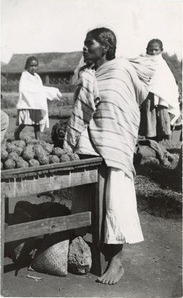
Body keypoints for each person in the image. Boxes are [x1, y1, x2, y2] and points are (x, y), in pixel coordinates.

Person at [64, 27, 154, 285]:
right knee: (88, 196)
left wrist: (115, 136)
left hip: (115, 144)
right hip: (90, 143)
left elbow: (125, 108)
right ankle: (85, 249)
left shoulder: (122, 70)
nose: (84, 47)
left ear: (105, 46)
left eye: (88, 43)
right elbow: (81, 112)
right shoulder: (88, 74)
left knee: (115, 200)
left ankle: (117, 262)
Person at [139, 39, 180, 142]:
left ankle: (160, 138)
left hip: (162, 98)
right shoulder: (142, 62)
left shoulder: (163, 65)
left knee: (161, 118)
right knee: (148, 118)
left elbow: (168, 83)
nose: (153, 53)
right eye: (151, 50)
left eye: (156, 50)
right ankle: (150, 139)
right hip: (147, 96)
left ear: (161, 50)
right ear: (146, 50)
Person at [14, 56, 62, 140]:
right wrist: (33, 93)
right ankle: (17, 132)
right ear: (27, 66)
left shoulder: (37, 77)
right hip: (28, 103)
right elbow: (24, 88)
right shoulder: (25, 75)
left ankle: (38, 140)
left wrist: (48, 91)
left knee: (37, 123)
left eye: (35, 65)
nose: (33, 68)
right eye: (31, 66)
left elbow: (39, 88)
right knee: (25, 122)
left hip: (36, 103)